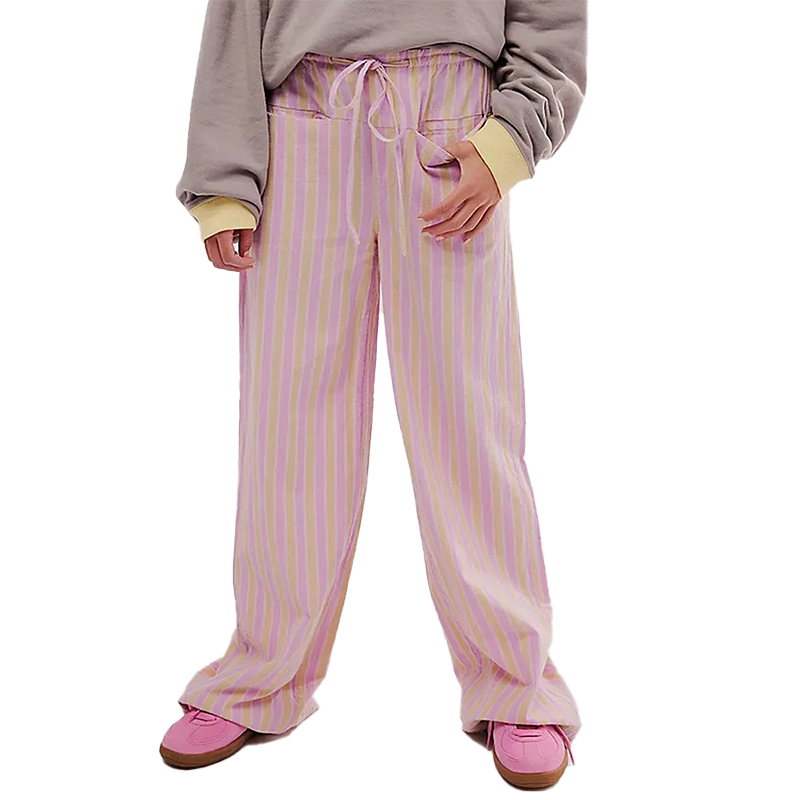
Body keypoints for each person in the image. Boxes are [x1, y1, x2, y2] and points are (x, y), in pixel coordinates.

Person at [160, 0, 587, 789]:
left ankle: (516, 682)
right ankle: (261, 674)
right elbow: (235, 18)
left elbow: (549, 16)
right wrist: (224, 177)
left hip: (453, 128)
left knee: (468, 419)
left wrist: (510, 136)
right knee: (289, 423)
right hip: (301, 120)